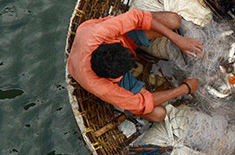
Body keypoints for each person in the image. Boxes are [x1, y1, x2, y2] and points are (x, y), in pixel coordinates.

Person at [67, 9, 203, 122]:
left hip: (109, 39)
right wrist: (185, 89)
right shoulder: (101, 86)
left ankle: (135, 42)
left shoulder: (100, 34)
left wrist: (177, 39)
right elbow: (142, 103)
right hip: (89, 69)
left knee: (174, 20)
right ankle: (125, 101)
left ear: (109, 44)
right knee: (158, 114)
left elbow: (138, 17)